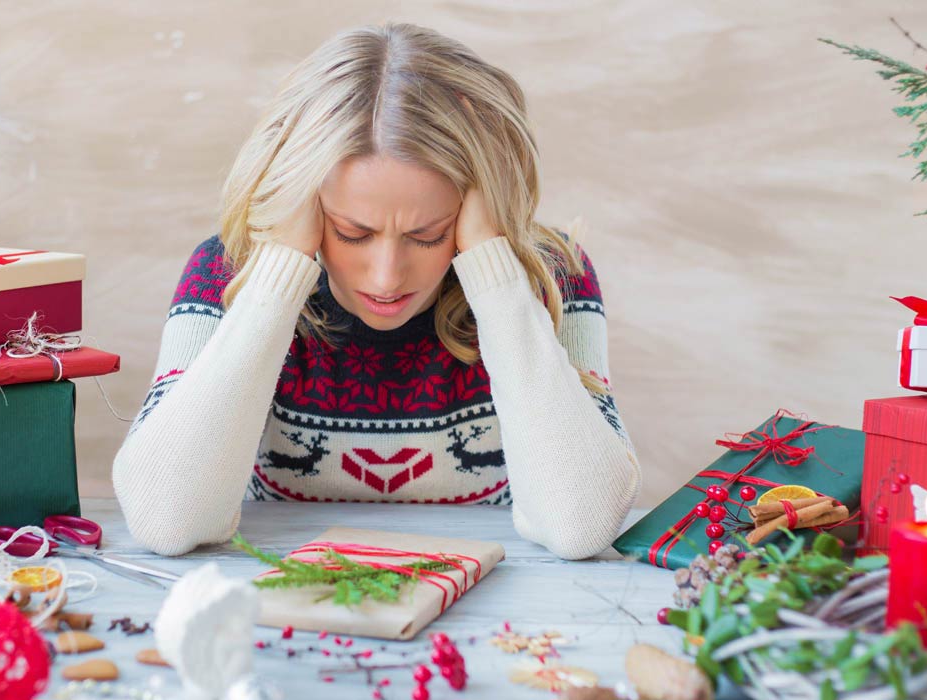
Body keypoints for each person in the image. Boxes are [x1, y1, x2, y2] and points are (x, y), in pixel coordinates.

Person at [113, 22, 640, 559]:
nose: (387, 277)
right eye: (352, 233)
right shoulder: (227, 272)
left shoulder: (554, 276)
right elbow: (166, 518)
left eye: (428, 235)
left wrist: (495, 271)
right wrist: (277, 274)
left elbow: (580, 524)